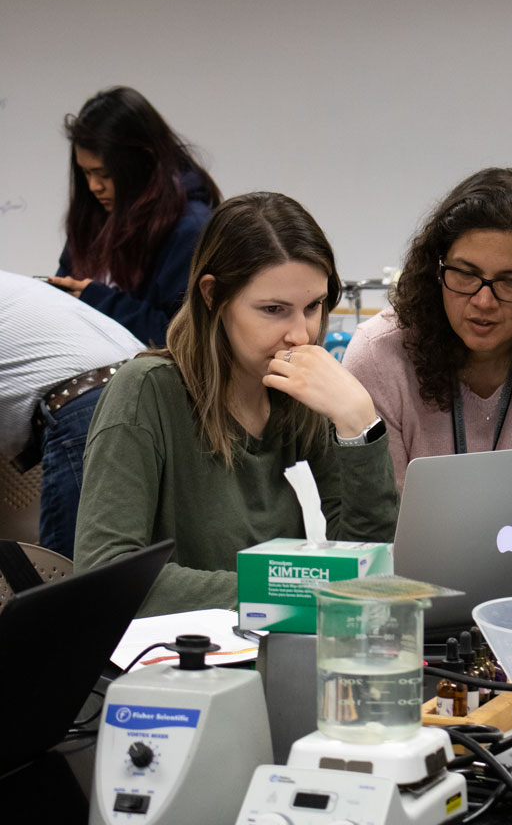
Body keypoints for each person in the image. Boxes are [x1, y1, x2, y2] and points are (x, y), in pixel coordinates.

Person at [73, 192, 398, 616]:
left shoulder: (300, 397)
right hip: (178, 667)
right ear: (213, 296)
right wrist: (289, 590)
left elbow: (362, 570)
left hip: (281, 652)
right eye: (273, 309)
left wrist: (359, 425)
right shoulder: (146, 391)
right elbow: (106, 575)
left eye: (314, 306)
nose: (300, 334)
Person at [342, 167, 512, 490]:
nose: (484, 301)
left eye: (510, 281)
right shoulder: (378, 355)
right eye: (465, 273)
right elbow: (376, 522)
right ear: (436, 268)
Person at [46, 86, 222, 346]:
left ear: (145, 158)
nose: (94, 186)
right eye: (86, 173)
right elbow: (67, 291)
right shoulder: (93, 215)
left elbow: (186, 340)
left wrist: (100, 302)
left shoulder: (190, 228)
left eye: (105, 174)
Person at [0, 270, 144, 557]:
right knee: (140, 570)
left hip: (88, 404)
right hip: (146, 384)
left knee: (79, 574)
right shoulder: (15, 286)